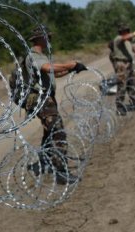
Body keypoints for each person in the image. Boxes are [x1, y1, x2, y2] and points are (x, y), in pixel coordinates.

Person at [23, 25, 87, 185]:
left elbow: (54, 73)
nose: (50, 39)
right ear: (40, 38)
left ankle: (44, 162)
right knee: (58, 132)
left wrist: (72, 69)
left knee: (49, 132)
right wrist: (70, 64)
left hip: (47, 98)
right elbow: (48, 68)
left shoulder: (41, 55)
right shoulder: (34, 56)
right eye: (47, 37)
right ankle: (60, 171)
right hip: (41, 99)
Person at [110, 23, 135, 116]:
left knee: (133, 83)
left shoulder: (127, 41)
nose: (128, 32)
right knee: (122, 86)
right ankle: (119, 107)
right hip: (121, 65)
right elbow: (125, 38)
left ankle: (134, 102)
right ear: (122, 32)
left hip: (128, 64)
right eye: (126, 31)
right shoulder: (118, 39)